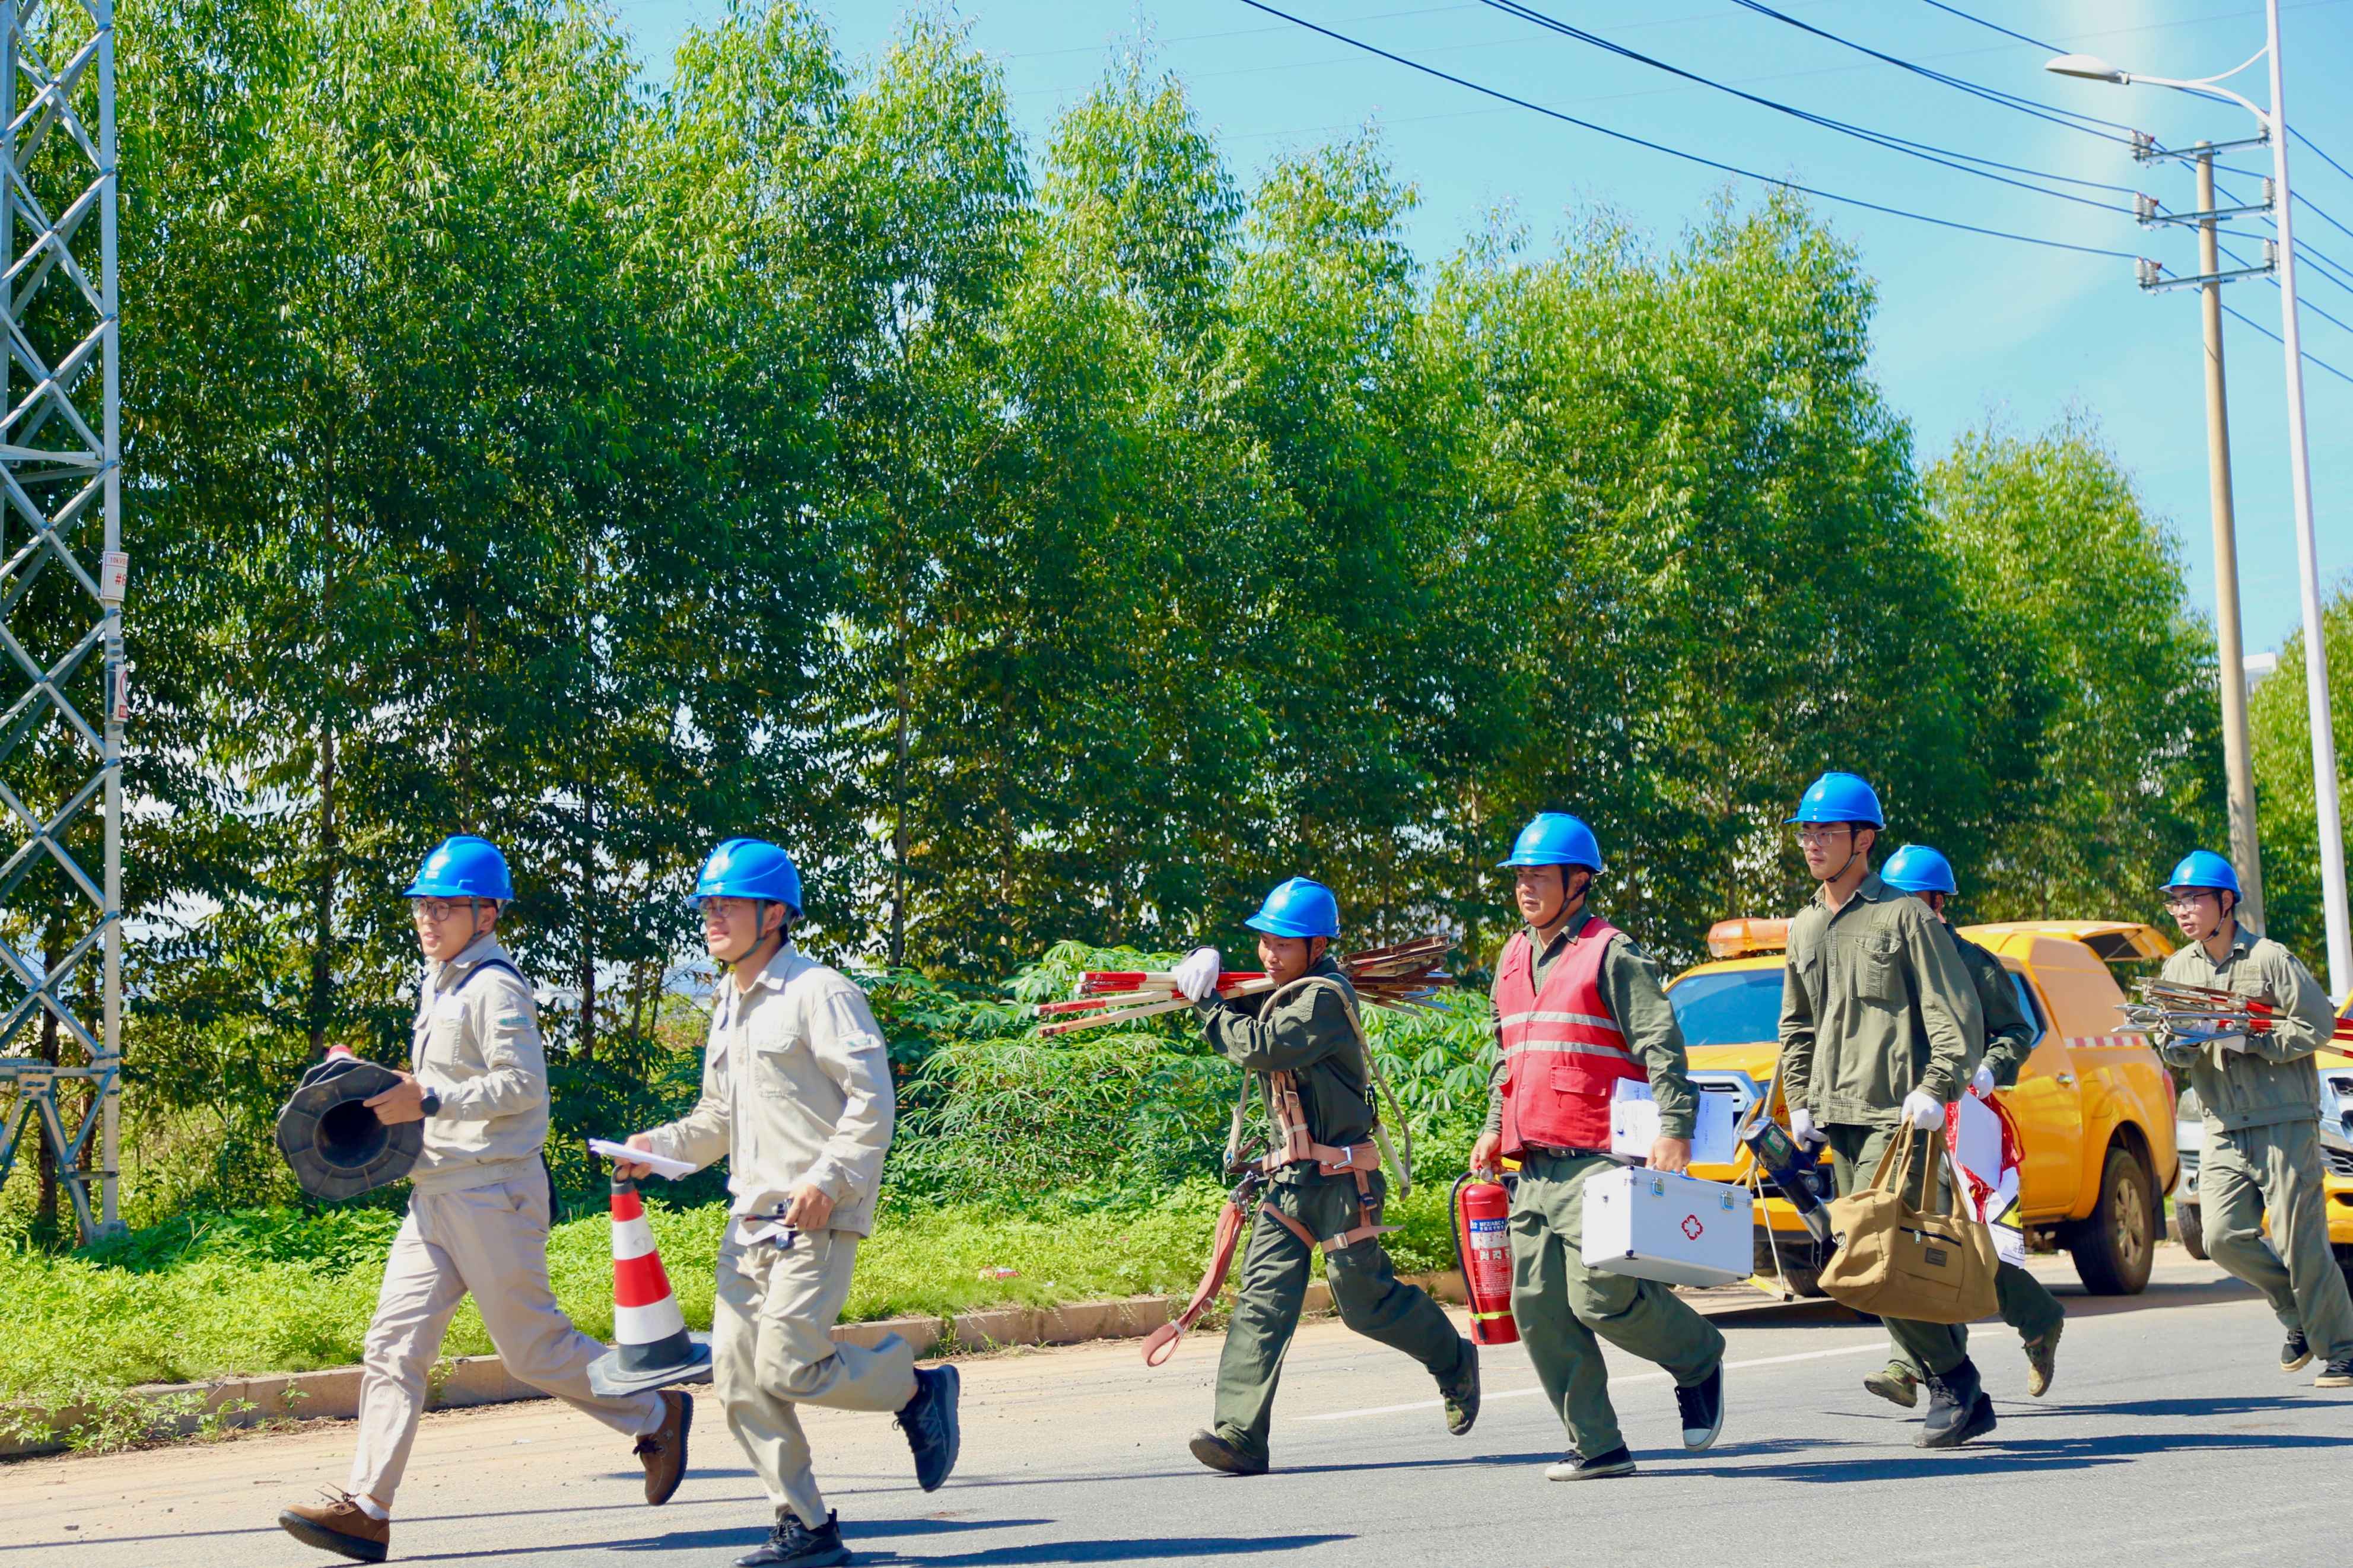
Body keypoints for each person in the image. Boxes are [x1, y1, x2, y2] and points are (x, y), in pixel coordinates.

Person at [279, 836, 689, 1565]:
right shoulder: (441, 981)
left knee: (533, 1351)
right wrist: (380, 1082)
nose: (428, 919)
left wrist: (429, 1097)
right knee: (393, 1346)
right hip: (435, 1193)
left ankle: (657, 1411)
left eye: (446, 907)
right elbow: (440, 1084)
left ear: (488, 914)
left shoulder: (496, 986)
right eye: (423, 906)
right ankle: (367, 1509)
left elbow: (522, 1086)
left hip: (493, 1192)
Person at [617, 838, 961, 1568]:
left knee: (788, 1366)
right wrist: (655, 1149)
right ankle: (805, 1525)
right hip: (750, 1219)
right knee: (739, 1380)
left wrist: (828, 1180)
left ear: (774, 914)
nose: (713, 918)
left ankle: (914, 1390)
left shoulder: (820, 992)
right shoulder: (727, 1001)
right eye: (707, 906)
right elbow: (718, 1118)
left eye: (728, 905)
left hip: (816, 1216)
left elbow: (873, 1101)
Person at [1169, 876, 1479, 1475]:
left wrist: (1208, 1006)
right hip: (1289, 1183)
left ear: (1317, 946)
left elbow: (1261, 1045)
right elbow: (1239, 1007)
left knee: (1365, 1305)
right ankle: (1241, 1435)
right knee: (1262, 1303)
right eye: (1264, 941)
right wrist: (1200, 964)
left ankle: (1453, 1360)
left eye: (1283, 944)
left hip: (1342, 1183)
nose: (1269, 954)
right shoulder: (1278, 990)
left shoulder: (1325, 1000)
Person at [1468, 813, 1728, 1481]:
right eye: (1520, 877)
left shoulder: (1612, 953)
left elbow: (1661, 1045)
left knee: (1601, 1298)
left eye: (1540, 876)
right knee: (1536, 1307)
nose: (1526, 888)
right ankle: (1598, 1445)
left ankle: (1698, 1355)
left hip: (1598, 1158)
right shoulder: (1511, 957)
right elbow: (1507, 1057)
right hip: (1531, 1165)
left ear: (1579, 881)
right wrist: (1494, 1125)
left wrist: (1675, 1126)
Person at [1775, 774, 1995, 1448]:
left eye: (1827, 831)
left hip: (1897, 1120)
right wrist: (1800, 1100)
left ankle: (1955, 1380)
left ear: (1863, 839)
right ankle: (1951, 1382)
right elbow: (1797, 1025)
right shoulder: (1805, 924)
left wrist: (1936, 1086)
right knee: (1859, 1265)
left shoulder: (1905, 918)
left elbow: (1956, 1016)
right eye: (1806, 831)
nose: (1813, 842)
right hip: (1835, 1119)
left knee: (1876, 1258)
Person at [1865, 843, 2066, 1406]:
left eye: (1913, 903)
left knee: (1960, 1242)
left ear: (1938, 904)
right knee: (1903, 1235)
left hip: (1962, 1119)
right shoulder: (1886, 965)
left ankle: (2037, 1318)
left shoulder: (1973, 963)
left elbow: (2016, 1031)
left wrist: (1987, 1069)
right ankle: (1911, 1364)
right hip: (1901, 1121)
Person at [2155, 850, 2353, 1389]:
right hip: (2223, 1122)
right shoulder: (2178, 969)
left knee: (2299, 1240)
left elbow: (2317, 1024)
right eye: (2176, 901)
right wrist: (2179, 1043)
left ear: (2226, 902)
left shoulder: (2270, 959)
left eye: (2192, 899)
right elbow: (2170, 1043)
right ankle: (2298, 1313)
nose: (2182, 910)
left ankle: (2342, 1348)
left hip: (2282, 1118)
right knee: (2220, 1237)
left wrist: (2253, 1039)